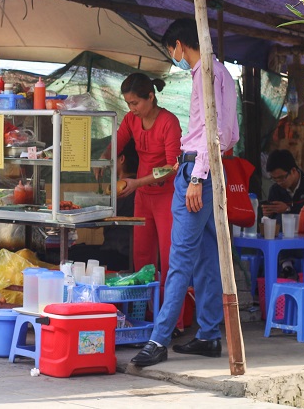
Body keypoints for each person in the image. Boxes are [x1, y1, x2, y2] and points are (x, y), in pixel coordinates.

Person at [131, 18, 239, 367]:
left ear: (180, 45)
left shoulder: (204, 73)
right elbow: (228, 133)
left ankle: (158, 339)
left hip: (198, 170)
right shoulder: (220, 71)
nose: (173, 56)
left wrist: (197, 176)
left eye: (171, 50)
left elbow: (212, 129)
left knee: (179, 259)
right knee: (206, 256)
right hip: (206, 168)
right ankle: (208, 334)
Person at [106, 72, 183, 332]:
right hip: (143, 198)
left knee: (170, 259)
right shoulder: (131, 120)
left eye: (135, 103)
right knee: (142, 259)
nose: (132, 109)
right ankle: (146, 316)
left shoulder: (168, 122)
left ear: (150, 97)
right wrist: (105, 160)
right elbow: (117, 141)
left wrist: (138, 182)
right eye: (128, 103)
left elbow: (172, 167)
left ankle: (174, 323)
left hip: (167, 197)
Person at [69, 140, 139, 271]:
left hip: (119, 254)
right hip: (118, 251)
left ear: (122, 159)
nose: (109, 163)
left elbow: (97, 223)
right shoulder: (134, 186)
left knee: (70, 256)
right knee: (76, 250)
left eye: (111, 158)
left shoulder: (123, 189)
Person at [261, 149, 304, 221]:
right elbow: (273, 221)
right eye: (274, 179)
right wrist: (268, 214)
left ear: (293, 171)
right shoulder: (275, 190)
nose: (279, 183)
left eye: (281, 178)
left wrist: (288, 209)